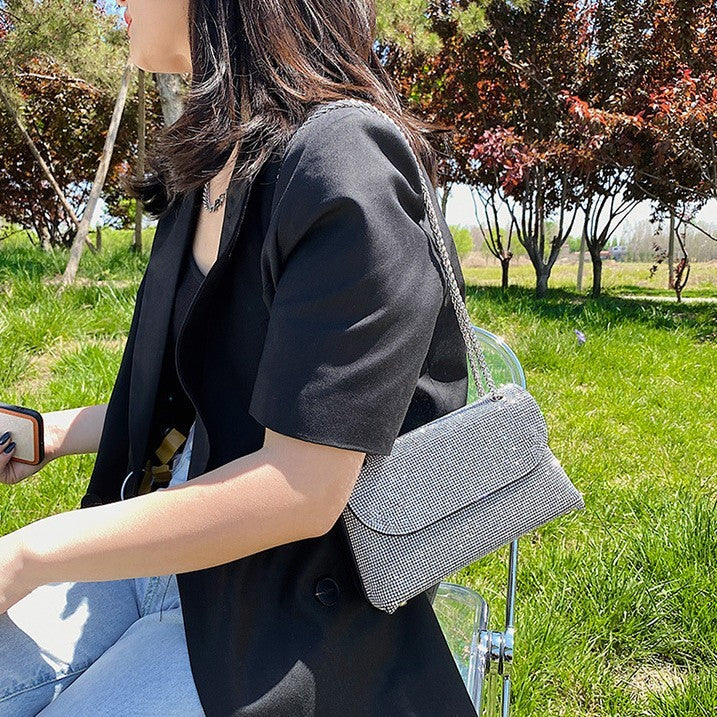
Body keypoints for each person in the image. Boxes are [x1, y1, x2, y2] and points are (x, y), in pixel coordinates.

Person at [0, 0, 478, 715]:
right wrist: (46, 432)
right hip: (169, 552)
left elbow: (303, 484)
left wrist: (28, 553)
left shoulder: (343, 161)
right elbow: (205, 399)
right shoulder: (216, 164)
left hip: (286, 609)